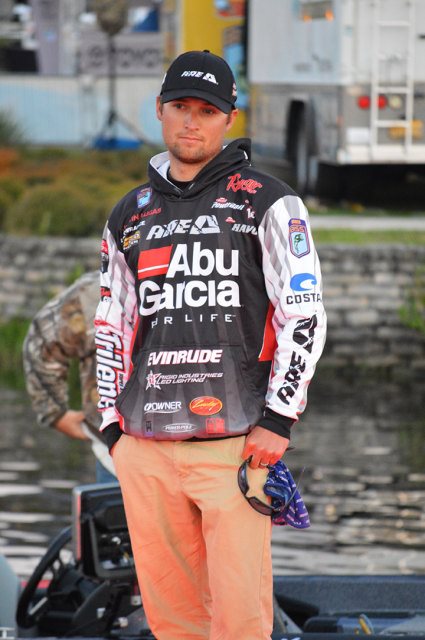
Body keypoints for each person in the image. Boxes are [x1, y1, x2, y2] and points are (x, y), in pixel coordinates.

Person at [94, 50, 326, 639]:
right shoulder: (128, 213)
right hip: (145, 448)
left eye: (206, 110)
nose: (191, 122)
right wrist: (112, 429)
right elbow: (111, 323)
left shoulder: (269, 200)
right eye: (180, 107)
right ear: (159, 110)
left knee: (241, 621)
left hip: (236, 447)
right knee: (173, 623)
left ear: (229, 118)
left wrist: (278, 420)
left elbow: (304, 314)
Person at [23, 271, 116, 483]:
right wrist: (54, 412)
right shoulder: (98, 289)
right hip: (114, 456)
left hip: (192, 453)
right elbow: (43, 340)